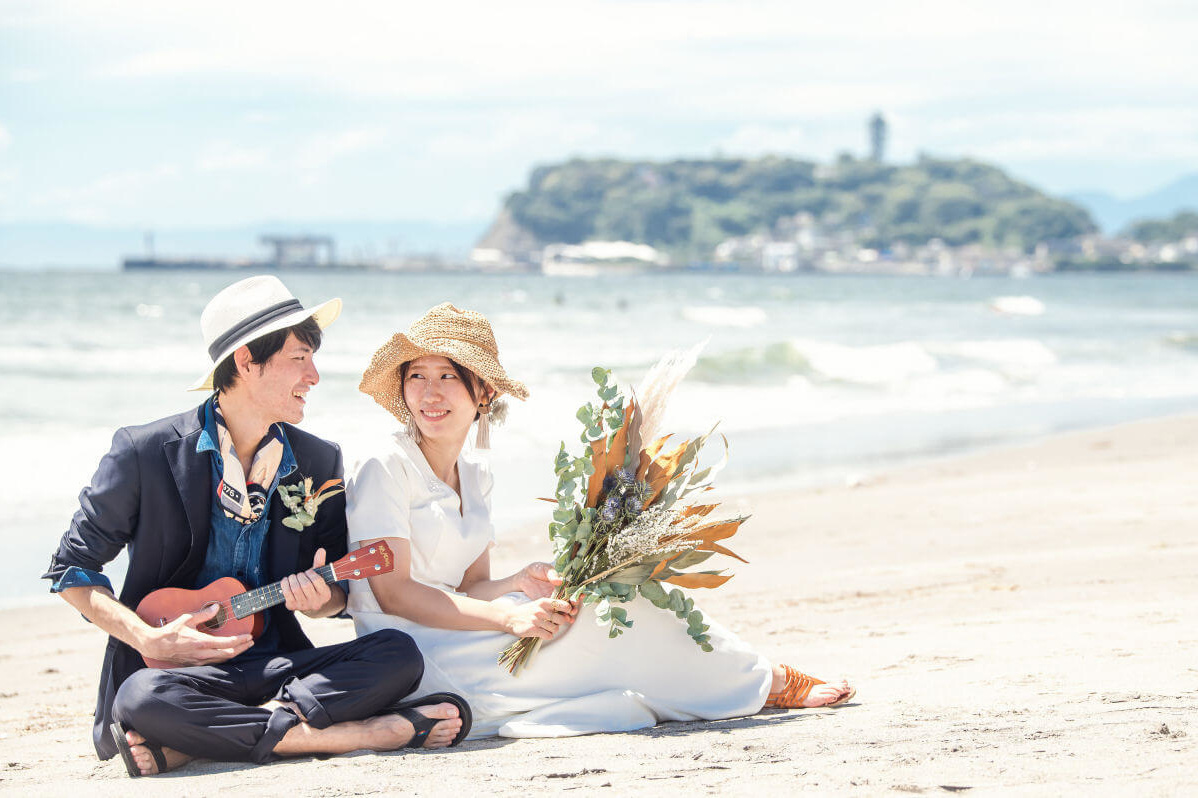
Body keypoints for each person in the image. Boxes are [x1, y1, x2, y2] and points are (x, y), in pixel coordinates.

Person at [345, 302, 854, 739]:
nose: (430, 393)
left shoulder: (474, 473)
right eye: (417, 376)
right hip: (413, 652)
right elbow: (394, 594)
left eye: (448, 376)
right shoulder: (384, 464)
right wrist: (510, 616)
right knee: (603, 632)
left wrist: (517, 585)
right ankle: (761, 682)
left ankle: (752, 676)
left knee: (612, 601)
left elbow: (472, 586)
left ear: (483, 393)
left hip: (464, 628)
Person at [43, 276, 467, 778]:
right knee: (141, 696)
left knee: (399, 654)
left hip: (275, 669)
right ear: (245, 361)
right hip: (174, 674)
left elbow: (339, 592)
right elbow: (72, 567)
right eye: (299, 358)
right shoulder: (144, 453)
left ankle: (201, 743)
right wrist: (143, 637)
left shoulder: (317, 460)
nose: (314, 376)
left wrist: (322, 598)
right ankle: (354, 733)